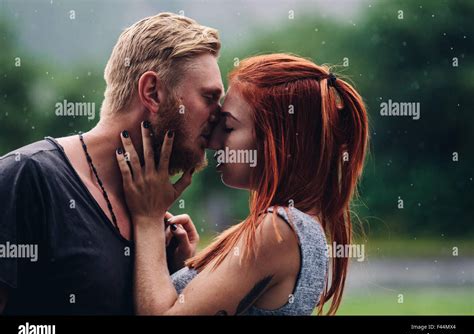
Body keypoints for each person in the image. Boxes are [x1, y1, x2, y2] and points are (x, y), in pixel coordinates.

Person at [0, 12, 223, 315]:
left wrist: (174, 274)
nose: (219, 117)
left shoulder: (153, 216)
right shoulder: (26, 177)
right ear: (152, 93)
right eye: (209, 97)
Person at [119, 53, 369, 315]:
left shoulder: (278, 230)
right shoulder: (298, 229)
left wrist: (147, 218)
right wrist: (186, 269)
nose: (214, 142)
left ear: (277, 141)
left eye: (227, 127)